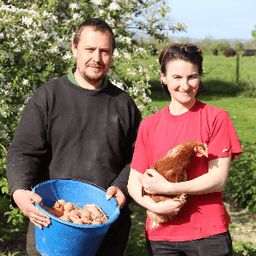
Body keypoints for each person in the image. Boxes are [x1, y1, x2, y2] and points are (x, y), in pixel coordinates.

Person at [6, 18, 142, 256]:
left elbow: (140, 156)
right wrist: (18, 190)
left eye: (105, 51)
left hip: (105, 229)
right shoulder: (48, 97)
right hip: (50, 222)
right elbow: (23, 152)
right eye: (90, 49)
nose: (97, 58)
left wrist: (122, 187)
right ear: (74, 48)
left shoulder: (124, 105)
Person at [127, 44, 243, 256]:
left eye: (192, 77)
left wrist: (169, 189)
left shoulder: (216, 117)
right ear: (163, 77)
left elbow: (218, 179)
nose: (185, 85)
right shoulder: (149, 125)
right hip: (161, 236)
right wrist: (154, 207)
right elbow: (134, 181)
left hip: (207, 235)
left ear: (199, 76)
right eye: (177, 77)